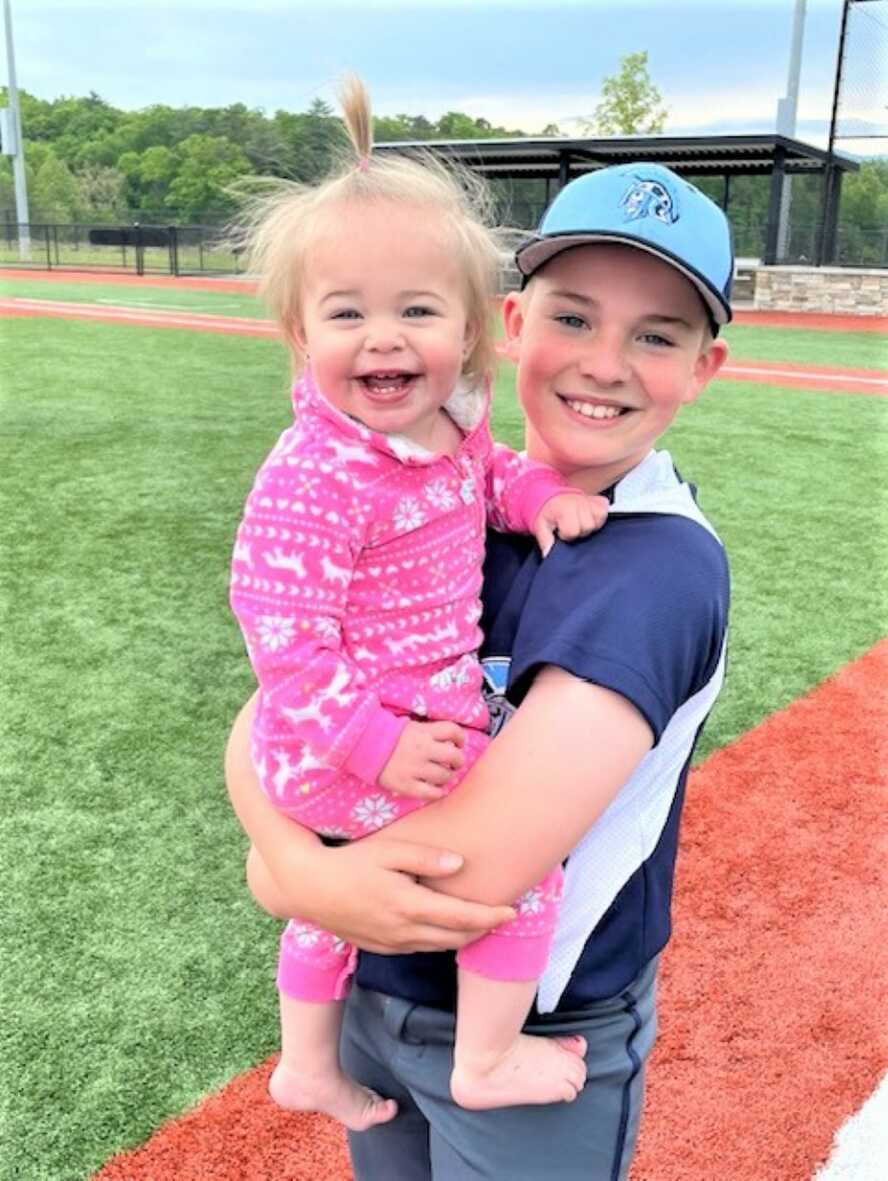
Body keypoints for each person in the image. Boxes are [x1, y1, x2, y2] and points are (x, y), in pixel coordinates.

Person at [225, 158, 733, 1179]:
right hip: (374, 1001)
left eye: (658, 335)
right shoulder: (428, 473)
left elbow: (484, 868)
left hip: (534, 1018)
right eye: (575, 317)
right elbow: (260, 717)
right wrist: (295, 858)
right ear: (506, 322)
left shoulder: (656, 571)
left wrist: (292, 867)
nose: (605, 362)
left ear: (704, 367)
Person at [228, 78, 610, 1134]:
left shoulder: (443, 425)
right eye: (347, 313)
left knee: (334, 897)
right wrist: (374, 744)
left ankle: (308, 1062)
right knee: (523, 859)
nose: (384, 338)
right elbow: (282, 637)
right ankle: (486, 1054)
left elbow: (487, 477)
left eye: (417, 310)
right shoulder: (317, 471)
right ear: (301, 335)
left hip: (393, 727)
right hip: (354, 738)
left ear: (471, 330)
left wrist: (540, 496)